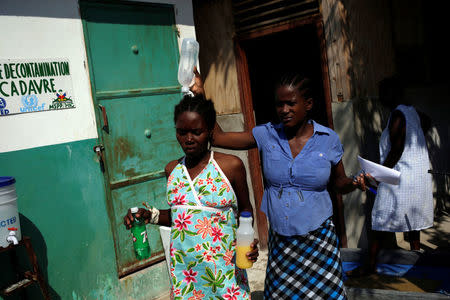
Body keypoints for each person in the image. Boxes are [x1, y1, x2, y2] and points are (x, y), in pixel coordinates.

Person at [192, 70, 368, 299]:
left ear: (308, 104)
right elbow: (218, 138)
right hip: (282, 244)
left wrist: (355, 182)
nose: (284, 110)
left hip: (319, 242)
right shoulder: (267, 134)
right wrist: (200, 96)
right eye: (279, 104)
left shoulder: (328, 139)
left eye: (291, 103)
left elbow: (339, 183)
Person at [124, 95, 259, 299]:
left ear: (210, 131)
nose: (188, 139)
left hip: (225, 274)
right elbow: (182, 217)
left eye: (196, 132)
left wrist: (247, 242)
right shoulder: (173, 170)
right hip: (186, 276)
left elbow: (245, 210)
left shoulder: (230, 166)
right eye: (181, 132)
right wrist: (149, 215)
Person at [349, 76, 433, 276]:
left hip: (400, 177)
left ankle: (370, 265)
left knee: (379, 217)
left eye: (383, 93)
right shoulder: (412, 112)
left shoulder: (397, 115)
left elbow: (395, 151)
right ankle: (415, 257)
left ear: (393, 93)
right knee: (412, 218)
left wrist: (377, 174)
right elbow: (426, 122)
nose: (380, 97)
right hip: (416, 176)